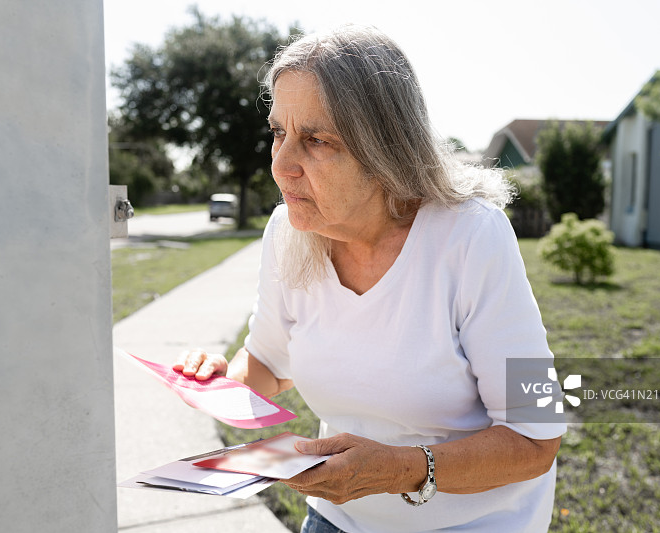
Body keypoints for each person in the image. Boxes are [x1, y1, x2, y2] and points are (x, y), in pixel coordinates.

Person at [175, 24, 566, 533]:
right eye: (278, 132)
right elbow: (269, 364)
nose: (281, 164)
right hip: (340, 519)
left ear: (386, 149)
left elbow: (536, 438)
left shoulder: (474, 236)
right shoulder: (289, 232)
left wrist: (400, 470)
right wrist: (216, 381)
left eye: (315, 140)